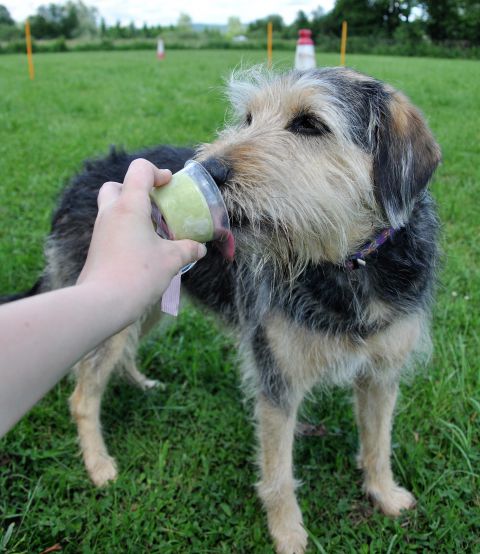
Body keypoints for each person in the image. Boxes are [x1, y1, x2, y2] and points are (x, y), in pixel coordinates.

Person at [0, 159, 206, 438]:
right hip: (91, 210)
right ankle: (86, 416)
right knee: (110, 341)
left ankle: (127, 367)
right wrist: (110, 291)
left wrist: (106, 292)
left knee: (135, 320)